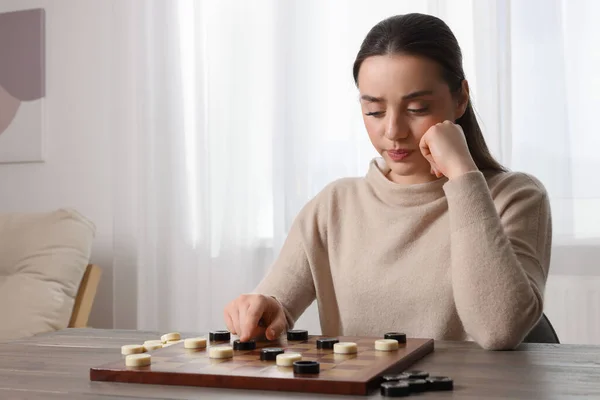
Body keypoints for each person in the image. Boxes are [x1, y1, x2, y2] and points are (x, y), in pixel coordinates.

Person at [223, 13, 552, 350]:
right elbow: (274, 304)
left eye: (417, 108)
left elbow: (498, 330)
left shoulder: (516, 197)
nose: (393, 131)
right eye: (375, 112)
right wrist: (263, 310)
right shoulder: (335, 205)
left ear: (460, 99)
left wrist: (464, 176)